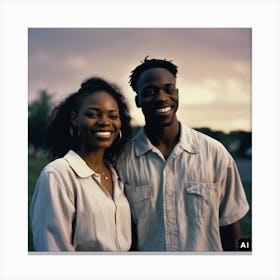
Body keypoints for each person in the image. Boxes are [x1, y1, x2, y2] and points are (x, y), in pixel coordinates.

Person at [116, 57, 250, 251]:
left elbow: (230, 226)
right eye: (150, 92)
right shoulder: (122, 160)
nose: (162, 97)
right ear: (138, 100)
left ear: (177, 94)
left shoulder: (215, 153)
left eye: (168, 89)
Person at [30, 77, 132, 251]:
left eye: (113, 116)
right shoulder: (58, 175)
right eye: (92, 114)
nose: (105, 122)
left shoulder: (116, 174)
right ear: (75, 119)